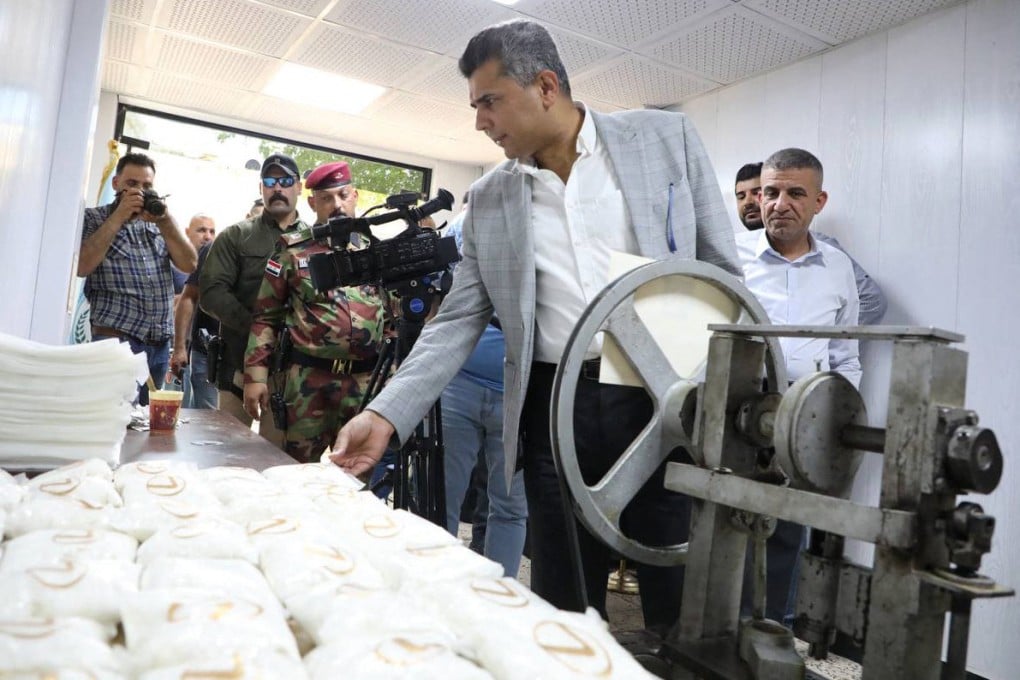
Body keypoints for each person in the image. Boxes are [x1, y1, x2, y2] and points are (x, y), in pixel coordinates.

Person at [330, 19, 740, 631]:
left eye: (489, 102)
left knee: (679, 591)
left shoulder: (664, 139)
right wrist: (386, 413)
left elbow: (723, 278)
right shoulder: (492, 197)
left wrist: (735, 402)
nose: (479, 122)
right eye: (475, 106)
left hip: (667, 402)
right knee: (565, 602)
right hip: (555, 410)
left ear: (546, 86)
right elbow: (459, 319)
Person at [734, 148, 861, 624]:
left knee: (787, 528)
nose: (778, 203)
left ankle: (772, 631)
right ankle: (719, 633)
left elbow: (846, 354)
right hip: (736, 412)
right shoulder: (731, 256)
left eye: (794, 193)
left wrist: (839, 419)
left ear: (819, 201)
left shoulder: (838, 269)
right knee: (726, 520)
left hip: (804, 419)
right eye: (770, 192)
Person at [243, 161, 389, 463]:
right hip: (309, 384)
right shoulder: (293, 252)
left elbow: (393, 320)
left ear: (355, 196)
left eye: (343, 195)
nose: (336, 204)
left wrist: (391, 380)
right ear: (312, 203)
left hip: (364, 386)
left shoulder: (375, 254)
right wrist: (255, 377)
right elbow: (265, 318)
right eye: (326, 198)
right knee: (296, 471)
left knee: (357, 474)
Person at [440, 201, 527, 578]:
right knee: (442, 495)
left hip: (521, 394)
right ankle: (435, 587)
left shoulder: (550, 233)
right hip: (461, 383)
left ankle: (500, 595)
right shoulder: (465, 226)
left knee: (509, 506)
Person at [199, 154, 308, 445]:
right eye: (270, 182)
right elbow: (211, 294)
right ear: (261, 188)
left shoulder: (315, 241)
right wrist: (260, 330)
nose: (278, 189)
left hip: (292, 377)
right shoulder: (236, 236)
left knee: (278, 462)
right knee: (227, 456)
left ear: (299, 187)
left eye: (285, 182)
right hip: (237, 368)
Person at [78, 152, 197, 404]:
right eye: (132, 184)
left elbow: (189, 264)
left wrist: (165, 220)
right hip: (116, 343)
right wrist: (119, 216)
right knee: (112, 419)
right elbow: (82, 265)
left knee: (148, 428)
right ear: (116, 183)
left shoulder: (158, 223)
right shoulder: (93, 218)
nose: (139, 192)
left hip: (159, 346)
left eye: (147, 186)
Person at [735, 161, 886, 324]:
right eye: (741, 196)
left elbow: (871, 301)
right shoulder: (734, 250)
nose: (748, 202)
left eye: (758, 192)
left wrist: (823, 340)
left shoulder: (819, 247)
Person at [170, 214, 217, 407]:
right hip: (183, 348)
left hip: (205, 349)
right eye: (201, 230)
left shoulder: (218, 260)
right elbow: (177, 302)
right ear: (187, 233)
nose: (207, 236)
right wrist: (178, 347)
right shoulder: (175, 266)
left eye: (212, 231)